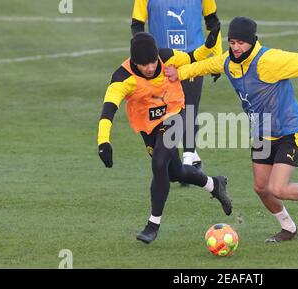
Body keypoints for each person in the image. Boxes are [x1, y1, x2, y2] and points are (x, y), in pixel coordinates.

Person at [164, 17, 298, 242]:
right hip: (261, 135)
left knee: (278, 188)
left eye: (241, 42)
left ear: (252, 41)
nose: (236, 47)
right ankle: (289, 229)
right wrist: (179, 73)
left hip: (288, 131)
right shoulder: (228, 63)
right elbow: (205, 65)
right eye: (232, 42)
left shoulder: (270, 61)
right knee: (261, 188)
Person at [97, 31, 231, 245]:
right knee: (174, 173)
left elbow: (192, 57)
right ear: (134, 62)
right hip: (148, 128)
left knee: (159, 163)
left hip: (174, 114)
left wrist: (207, 46)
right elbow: (108, 110)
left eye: (152, 62)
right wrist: (103, 142)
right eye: (144, 65)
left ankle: (153, 224)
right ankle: (214, 184)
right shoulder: (122, 78)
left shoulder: (166, 56)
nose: (150, 67)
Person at [131, 0, 223, 169]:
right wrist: (144, 56)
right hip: (161, 61)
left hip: (193, 56)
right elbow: (137, 25)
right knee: (164, 113)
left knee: (189, 108)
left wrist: (217, 59)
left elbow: (213, 23)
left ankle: (188, 159)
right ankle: (184, 159)